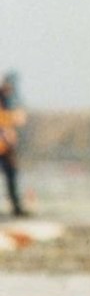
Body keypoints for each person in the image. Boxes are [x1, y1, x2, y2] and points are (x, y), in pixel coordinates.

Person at [0, 72, 25, 217]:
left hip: (6, 146)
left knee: (12, 176)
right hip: (4, 144)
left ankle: (16, 206)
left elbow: (19, 118)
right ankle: (16, 207)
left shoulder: (9, 100)